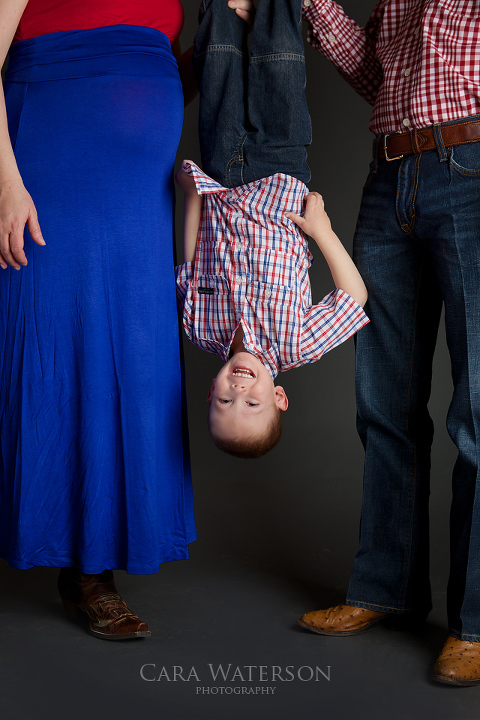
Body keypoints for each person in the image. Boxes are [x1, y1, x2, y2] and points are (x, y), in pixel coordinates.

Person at [0, 0, 253, 640]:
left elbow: (166, 72)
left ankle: (92, 569)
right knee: (44, 348)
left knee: (128, 366)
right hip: (47, 168)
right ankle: (42, 538)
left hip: (139, 196)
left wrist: (223, 33)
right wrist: (5, 184)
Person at [297, 0, 480, 686]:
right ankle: (385, 589)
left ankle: (475, 622)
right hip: (390, 179)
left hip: (471, 168)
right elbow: (377, 75)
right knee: (384, 403)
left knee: (479, 412)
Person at [174, 0, 369, 459]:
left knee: (219, 50)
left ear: (210, 393)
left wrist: (190, 200)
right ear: (279, 398)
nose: (239, 390)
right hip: (281, 166)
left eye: (225, 401)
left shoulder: (199, 329)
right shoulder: (297, 343)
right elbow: (354, 297)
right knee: (277, 57)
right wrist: (320, 230)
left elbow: (189, 261)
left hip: (221, 168)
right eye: (253, 403)